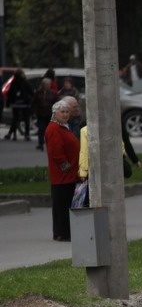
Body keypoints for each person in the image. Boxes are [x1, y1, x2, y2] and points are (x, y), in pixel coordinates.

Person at [44, 100, 80, 242]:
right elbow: (56, 152)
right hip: (62, 176)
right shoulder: (54, 129)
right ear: (55, 113)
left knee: (66, 204)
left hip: (69, 175)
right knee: (62, 206)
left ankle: (65, 231)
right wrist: (67, 168)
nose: (65, 115)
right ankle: (61, 233)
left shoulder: (64, 127)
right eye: (62, 112)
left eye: (67, 112)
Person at [4, 69, 33, 141]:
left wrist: (8, 103)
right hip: (24, 103)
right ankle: (26, 134)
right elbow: (31, 92)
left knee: (15, 119)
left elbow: (10, 94)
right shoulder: (25, 82)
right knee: (25, 119)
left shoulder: (14, 83)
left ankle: (12, 134)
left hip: (16, 103)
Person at [30, 78, 59, 151]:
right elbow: (34, 102)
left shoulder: (53, 93)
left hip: (50, 114)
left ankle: (49, 143)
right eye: (46, 84)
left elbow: (57, 103)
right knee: (41, 129)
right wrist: (33, 112)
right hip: (41, 113)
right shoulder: (38, 93)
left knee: (49, 130)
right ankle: (40, 143)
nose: (47, 86)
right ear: (43, 85)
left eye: (48, 84)